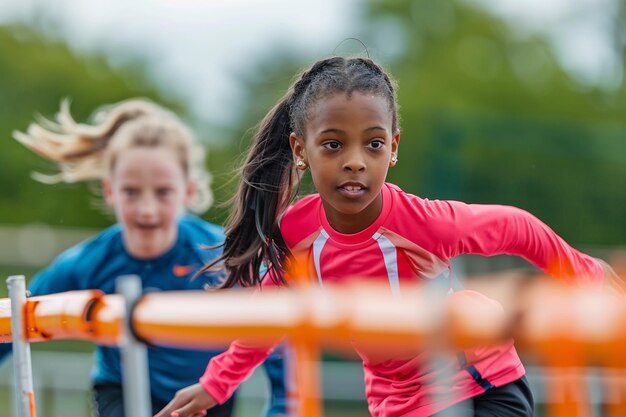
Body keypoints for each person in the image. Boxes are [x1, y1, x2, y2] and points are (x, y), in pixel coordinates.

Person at [154, 56, 621, 417]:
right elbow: (268, 318)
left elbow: (519, 227)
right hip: (397, 402)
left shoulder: (424, 221)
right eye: (334, 145)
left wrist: (591, 277)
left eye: (373, 144)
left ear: (393, 148)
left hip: (482, 385)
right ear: (301, 149)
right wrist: (215, 386)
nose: (355, 161)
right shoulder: (296, 233)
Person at [0, 98, 290, 417]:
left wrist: (281, 408)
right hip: (120, 392)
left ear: (188, 192)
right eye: (132, 192)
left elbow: (278, 334)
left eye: (163, 192)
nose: (147, 210)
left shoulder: (225, 257)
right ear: (110, 191)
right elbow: (16, 321)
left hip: (207, 393)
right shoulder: (90, 260)